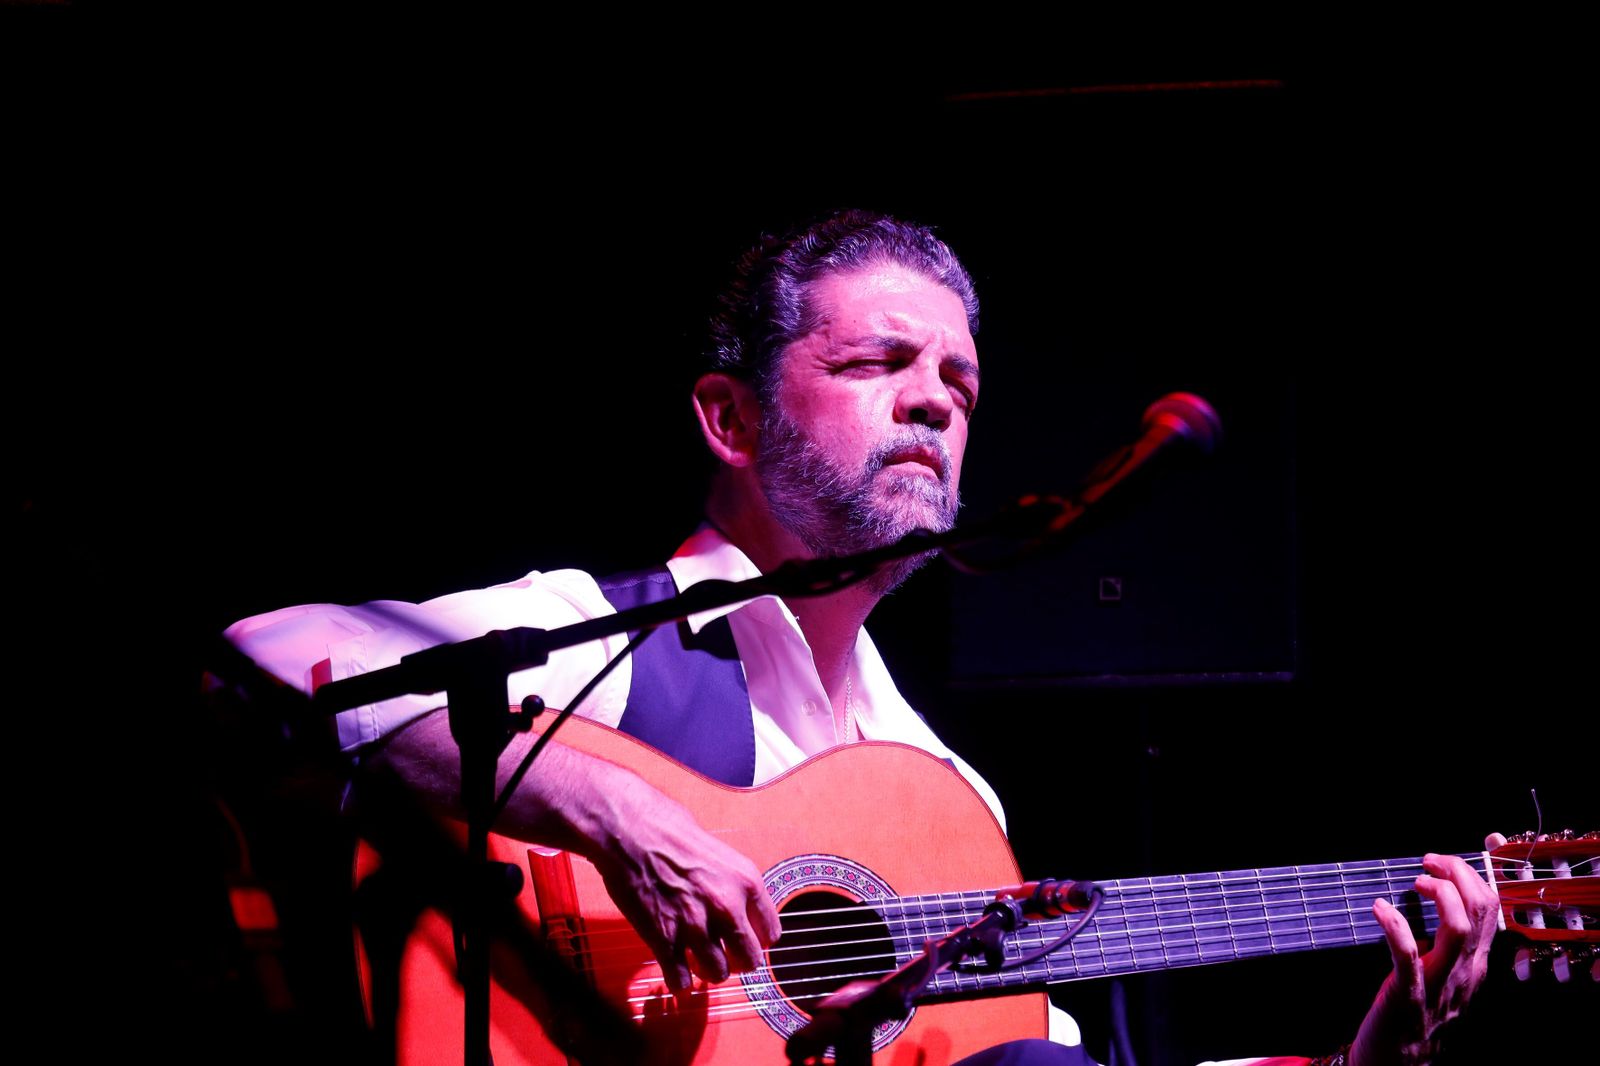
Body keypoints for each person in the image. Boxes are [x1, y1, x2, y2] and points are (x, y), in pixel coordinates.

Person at [226, 210, 1501, 1066]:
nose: (934, 404)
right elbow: (276, 652)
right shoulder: (593, 636)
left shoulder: (944, 794)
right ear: (728, 419)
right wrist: (617, 816)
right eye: (880, 362)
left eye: (958, 381)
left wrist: (1362, 1058)